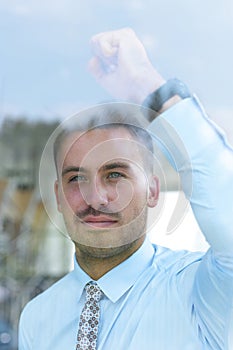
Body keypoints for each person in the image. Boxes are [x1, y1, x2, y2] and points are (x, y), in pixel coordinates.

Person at [18, 28, 233, 350]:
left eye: (115, 174)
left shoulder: (202, 291)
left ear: (153, 191)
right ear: (59, 196)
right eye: (76, 178)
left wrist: (148, 85)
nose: (96, 198)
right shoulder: (37, 317)